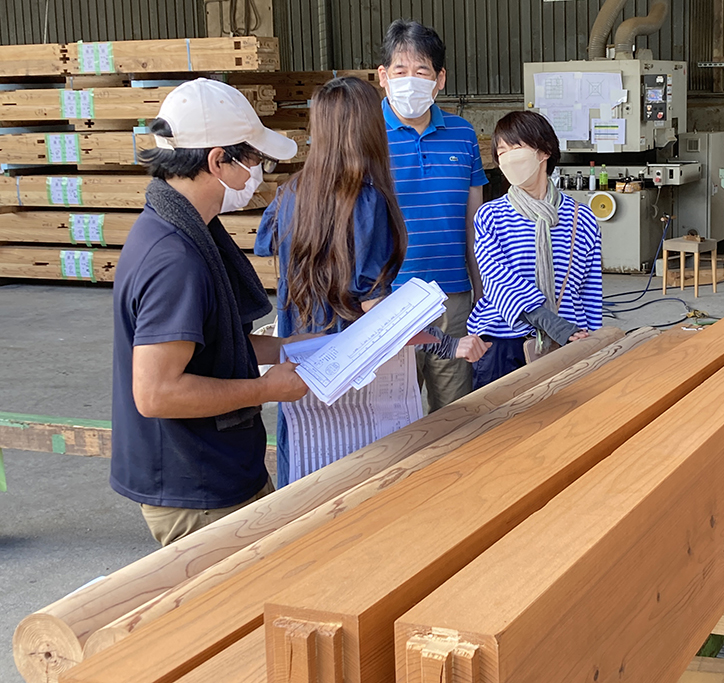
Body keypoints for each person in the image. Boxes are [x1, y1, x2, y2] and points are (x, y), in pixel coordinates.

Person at [255, 76, 489, 485]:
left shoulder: (289, 194)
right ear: (368, 128)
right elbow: (375, 313)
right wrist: (450, 341)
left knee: (308, 488)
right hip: (354, 375)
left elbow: (273, 255)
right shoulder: (367, 199)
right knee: (363, 487)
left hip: (300, 368)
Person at [111, 79, 308, 546]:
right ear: (219, 160)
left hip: (217, 467)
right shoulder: (174, 257)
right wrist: (266, 388)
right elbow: (157, 392)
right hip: (194, 486)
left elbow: (208, 342)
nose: (257, 174)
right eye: (254, 160)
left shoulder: (183, 228)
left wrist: (282, 348)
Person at [377, 19, 488, 412]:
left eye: (422, 71)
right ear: (383, 77)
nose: (411, 80)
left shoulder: (463, 134)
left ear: (440, 79)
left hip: (452, 299)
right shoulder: (366, 137)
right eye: (400, 71)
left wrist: (481, 292)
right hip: (388, 300)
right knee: (392, 417)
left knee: (455, 414)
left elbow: (474, 225)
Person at [468, 111, 603, 387]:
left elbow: (590, 290)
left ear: (544, 152)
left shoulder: (583, 218)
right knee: (499, 427)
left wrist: (594, 339)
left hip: (566, 342)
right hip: (501, 344)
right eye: (501, 151)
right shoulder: (490, 215)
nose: (507, 158)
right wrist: (546, 319)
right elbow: (496, 280)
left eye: (515, 148)